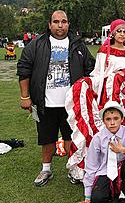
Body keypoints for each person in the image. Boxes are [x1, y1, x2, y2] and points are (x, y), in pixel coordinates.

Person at [65, 19, 125, 182]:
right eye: (118, 31)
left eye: (124, 31)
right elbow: (98, 73)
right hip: (106, 96)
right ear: (112, 33)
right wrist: (106, 80)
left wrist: (124, 75)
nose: (121, 34)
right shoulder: (104, 51)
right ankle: (97, 167)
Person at [17, 10, 95, 186]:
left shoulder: (77, 45)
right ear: (49, 24)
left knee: (71, 138)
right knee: (47, 139)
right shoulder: (37, 44)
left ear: (68, 24)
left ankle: (74, 168)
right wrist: (25, 96)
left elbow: (90, 68)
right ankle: (46, 170)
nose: (60, 25)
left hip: (71, 104)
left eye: (64, 22)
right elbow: (24, 69)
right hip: (45, 103)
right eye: (56, 22)